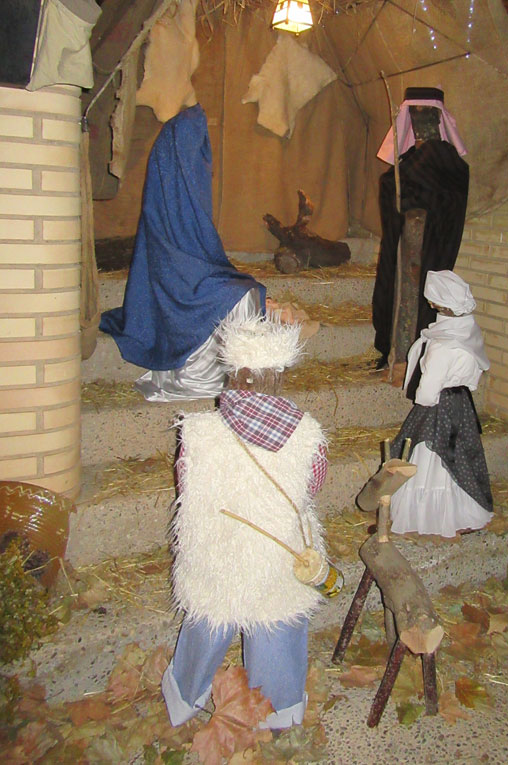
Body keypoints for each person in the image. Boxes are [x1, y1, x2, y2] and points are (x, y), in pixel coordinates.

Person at [161, 313, 330, 729]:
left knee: (209, 616)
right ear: (278, 376)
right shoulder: (308, 434)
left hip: (214, 549)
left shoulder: (197, 432)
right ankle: (279, 710)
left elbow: (185, 482)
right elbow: (312, 486)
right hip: (276, 552)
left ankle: (185, 696)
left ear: (234, 375)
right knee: (277, 619)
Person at [100, 104, 265, 401]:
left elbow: (196, 245)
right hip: (178, 279)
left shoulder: (183, 183)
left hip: (189, 271)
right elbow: (175, 257)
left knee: (242, 287)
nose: (203, 164)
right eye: (197, 151)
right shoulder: (171, 184)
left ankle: (242, 373)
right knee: (239, 292)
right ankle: (207, 378)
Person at [388, 270, 493, 538]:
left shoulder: (441, 345)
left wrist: (423, 402)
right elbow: (473, 377)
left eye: (431, 300)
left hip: (439, 407)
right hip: (461, 404)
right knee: (459, 457)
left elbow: (427, 391)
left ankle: (431, 516)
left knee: (433, 459)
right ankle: (463, 510)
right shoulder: (468, 333)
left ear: (437, 303)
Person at [372, 87, 470, 369]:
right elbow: (398, 189)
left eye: (427, 115)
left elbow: (422, 192)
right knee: (394, 293)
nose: (420, 122)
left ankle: (411, 358)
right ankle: (394, 352)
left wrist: (399, 187)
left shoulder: (445, 159)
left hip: (428, 249)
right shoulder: (413, 159)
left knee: (417, 302)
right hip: (404, 246)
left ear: (439, 119)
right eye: (415, 115)